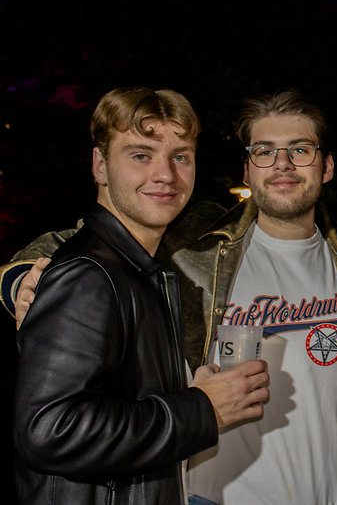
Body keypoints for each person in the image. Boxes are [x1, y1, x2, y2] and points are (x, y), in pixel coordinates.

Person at [3, 89, 337, 505]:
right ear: (247, 170)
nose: (282, 163)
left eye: (300, 150)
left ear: (327, 166)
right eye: (264, 151)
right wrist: (22, 278)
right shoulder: (200, 242)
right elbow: (89, 238)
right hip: (218, 496)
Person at [12, 87, 270, 504]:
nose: (165, 174)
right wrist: (202, 409)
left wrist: (191, 395)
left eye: (180, 157)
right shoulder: (89, 274)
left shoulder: (139, 270)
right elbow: (50, 430)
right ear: (100, 166)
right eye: (140, 156)